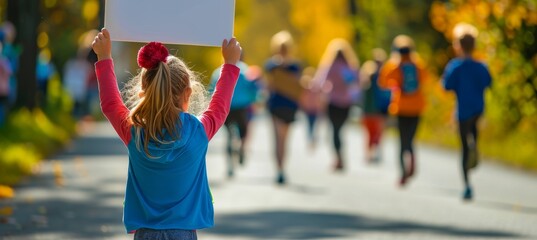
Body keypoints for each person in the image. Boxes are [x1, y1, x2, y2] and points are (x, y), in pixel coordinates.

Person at [91, 28, 241, 239]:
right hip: (183, 233)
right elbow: (220, 108)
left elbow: (110, 105)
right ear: (187, 93)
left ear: (145, 92)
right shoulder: (198, 132)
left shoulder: (135, 131)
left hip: (145, 234)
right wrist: (230, 64)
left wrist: (104, 57)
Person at [442, 23, 491, 201]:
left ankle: (467, 185)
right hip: (478, 108)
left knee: (463, 147)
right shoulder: (481, 66)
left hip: (462, 111)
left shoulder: (455, 66)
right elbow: (488, 83)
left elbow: (447, 86)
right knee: (474, 137)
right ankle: (475, 147)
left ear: (458, 46)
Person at [378, 35, 428, 186]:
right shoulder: (419, 65)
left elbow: (383, 82)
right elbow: (426, 80)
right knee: (410, 138)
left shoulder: (394, 66)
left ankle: (402, 173)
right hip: (417, 107)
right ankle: (412, 159)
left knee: (401, 140)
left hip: (400, 108)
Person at [209, 53, 259, 178]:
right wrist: (253, 100)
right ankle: (242, 148)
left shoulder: (218, 71)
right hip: (242, 106)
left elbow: (212, 89)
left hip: (226, 107)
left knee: (228, 135)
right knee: (243, 131)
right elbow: (253, 89)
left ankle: (229, 164)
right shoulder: (246, 70)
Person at [315, 38, 360, 171]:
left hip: (333, 102)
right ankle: (340, 156)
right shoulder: (350, 67)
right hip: (346, 103)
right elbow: (357, 83)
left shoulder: (331, 67)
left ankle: (338, 158)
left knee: (335, 131)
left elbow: (320, 82)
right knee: (340, 130)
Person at [264, 30, 303, 184]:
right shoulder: (284, 66)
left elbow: (270, 86)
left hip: (283, 104)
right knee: (281, 139)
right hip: (283, 105)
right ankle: (280, 169)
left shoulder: (276, 66)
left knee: (281, 139)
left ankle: (280, 168)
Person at [360, 48, 390, 163]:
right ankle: (371, 154)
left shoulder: (372, 75)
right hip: (373, 110)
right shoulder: (374, 76)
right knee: (374, 133)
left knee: (375, 134)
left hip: (376, 110)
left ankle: (372, 154)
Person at [63, 49, 92, 118]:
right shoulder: (72, 64)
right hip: (74, 88)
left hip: (78, 88)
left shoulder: (83, 65)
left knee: (77, 107)